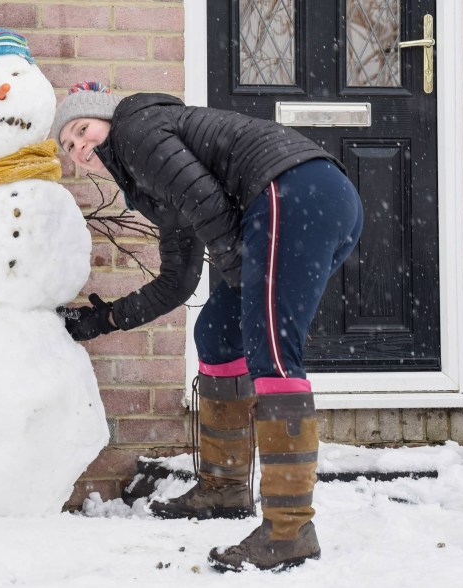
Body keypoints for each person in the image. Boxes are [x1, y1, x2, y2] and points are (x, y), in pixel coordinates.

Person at [53, 82, 363, 572]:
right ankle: (224, 487)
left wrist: (237, 266)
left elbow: (206, 201)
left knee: (272, 351)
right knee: (218, 333)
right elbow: (177, 282)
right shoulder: (148, 172)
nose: (79, 148)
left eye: (81, 130)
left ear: (105, 119)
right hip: (304, 199)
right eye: (69, 146)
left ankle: (289, 529)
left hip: (293, 188)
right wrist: (101, 319)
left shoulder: (137, 132)